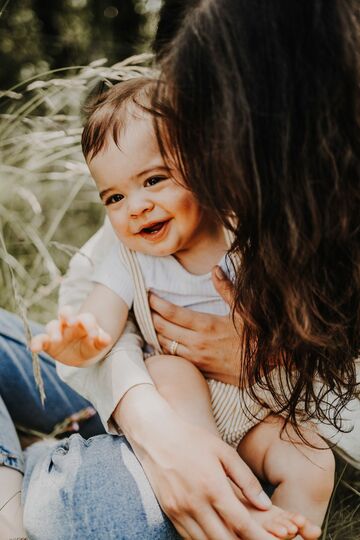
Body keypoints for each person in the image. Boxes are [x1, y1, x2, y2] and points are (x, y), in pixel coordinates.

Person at [0, 1, 359, 539]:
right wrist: (92, 350)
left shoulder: (257, 220)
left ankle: (282, 528)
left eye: (154, 180)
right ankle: (30, 480)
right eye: (115, 196)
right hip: (175, 399)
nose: (136, 206)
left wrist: (274, 353)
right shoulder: (130, 247)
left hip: (264, 408)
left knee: (307, 465)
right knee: (167, 380)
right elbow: (97, 315)